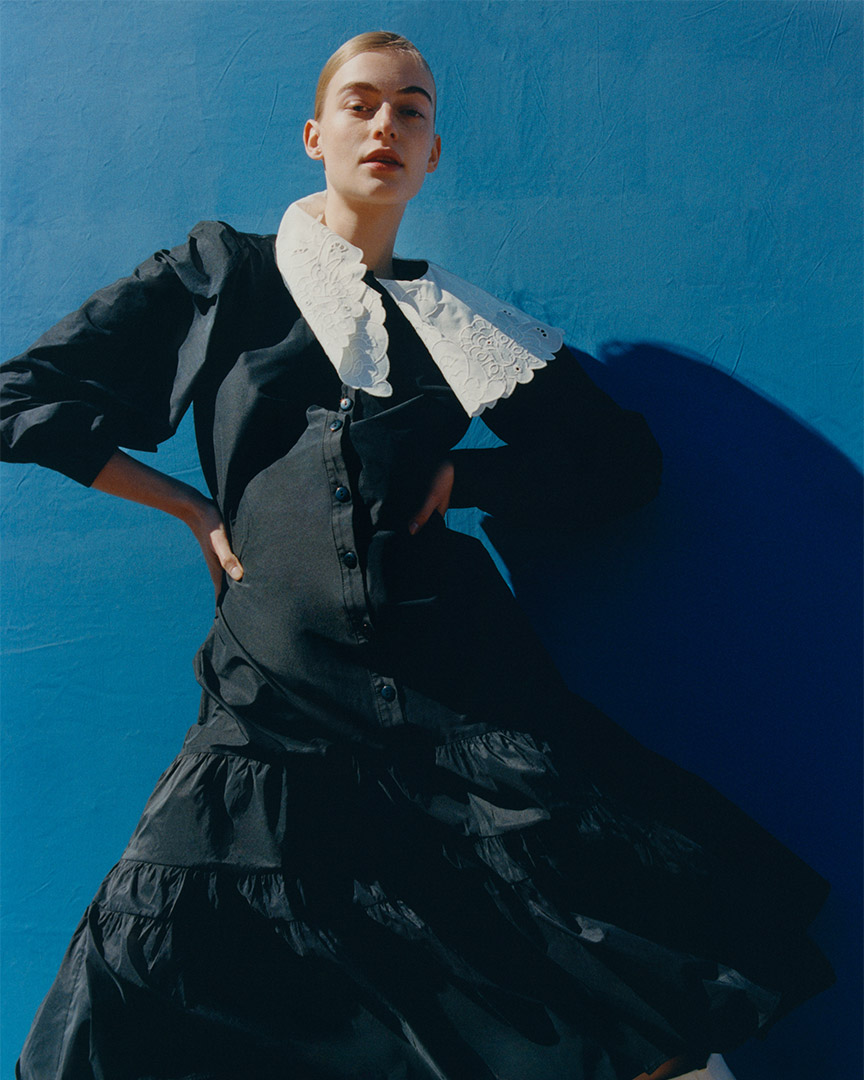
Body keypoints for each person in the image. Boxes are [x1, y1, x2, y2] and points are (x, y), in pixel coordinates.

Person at [1, 31, 833, 1080]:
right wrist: (187, 507)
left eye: (410, 109)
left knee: (605, 975)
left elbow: (624, 466)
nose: (384, 125)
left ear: (433, 151)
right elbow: (22, 399)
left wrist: (465, 477)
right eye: (360, 104)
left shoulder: (464, 321)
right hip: (276, 694)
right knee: (145, 979)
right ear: (316, 134)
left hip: (460, 693)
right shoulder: (224, 275)